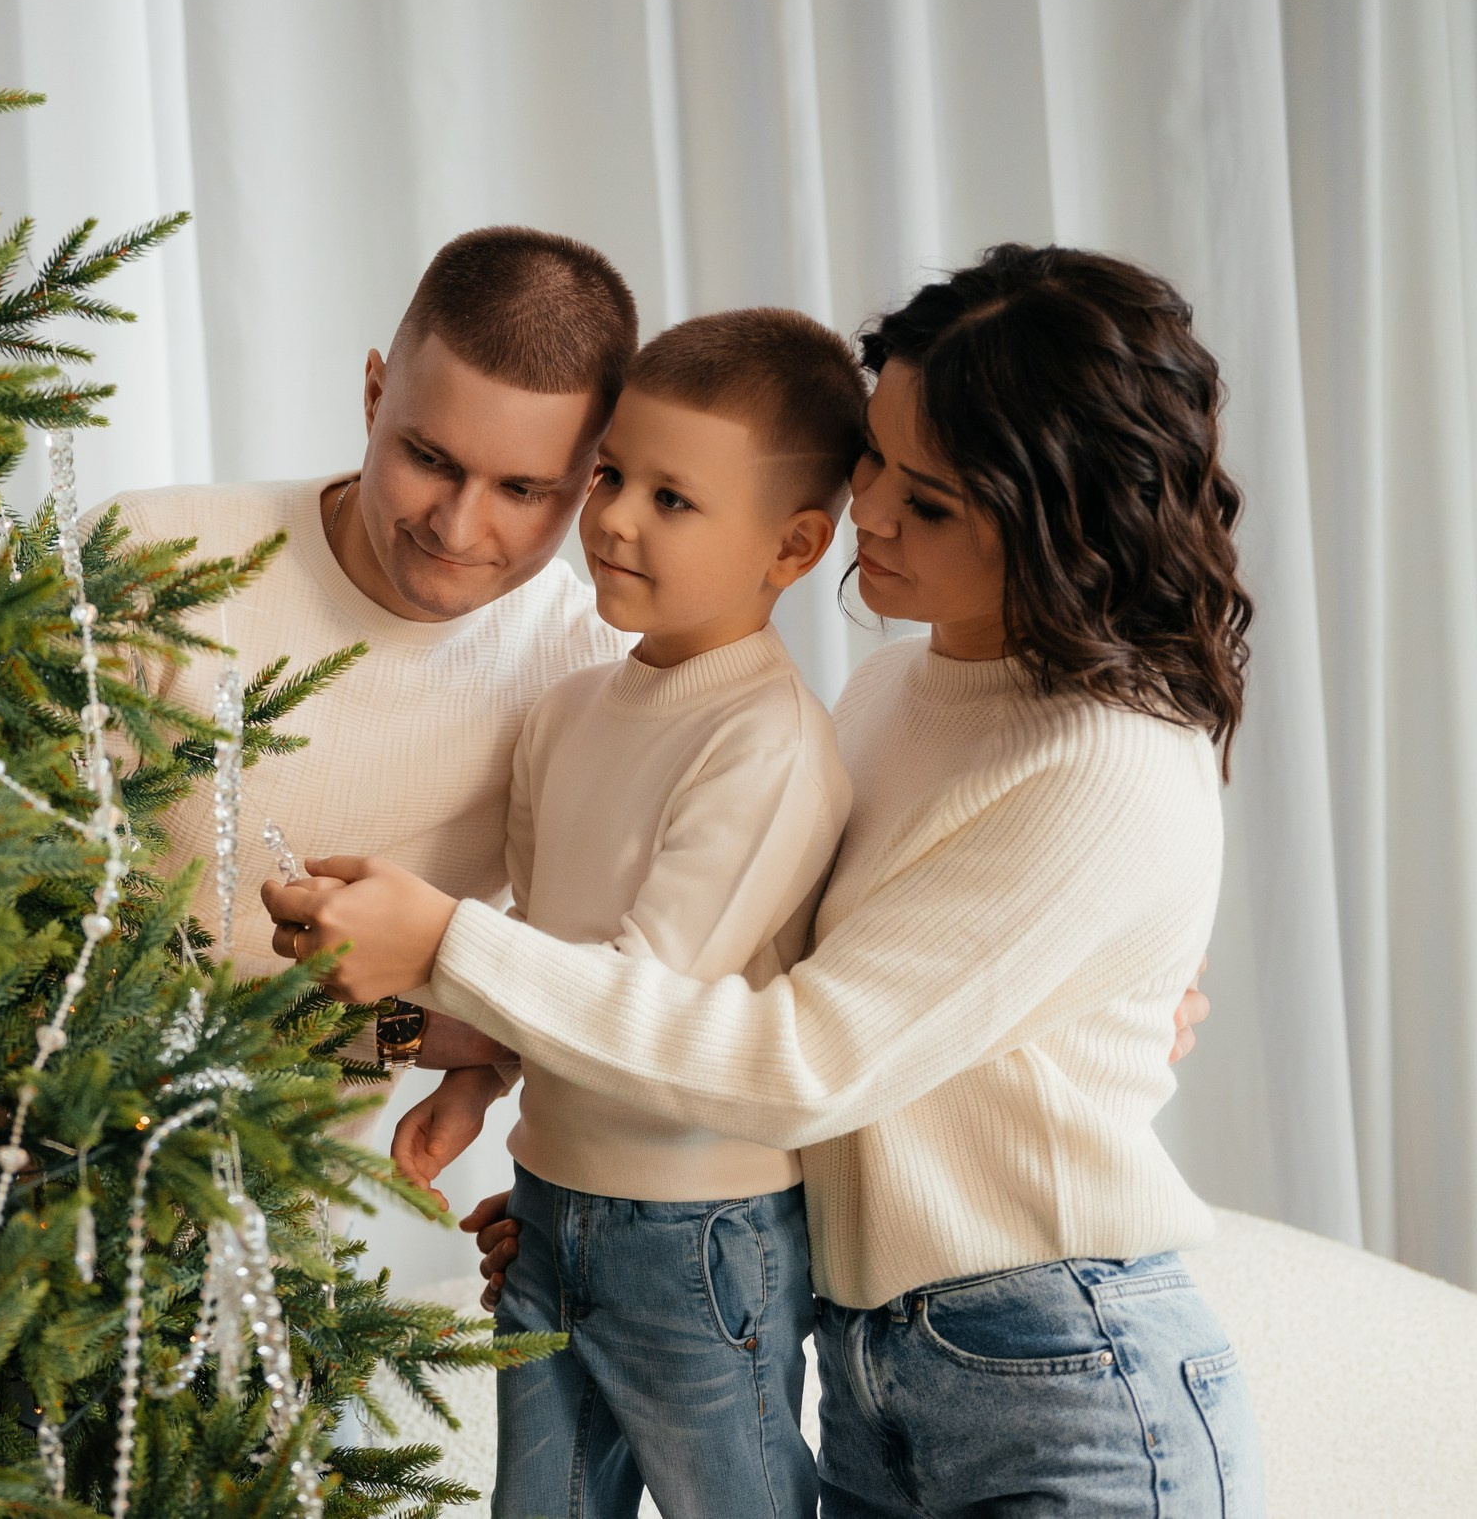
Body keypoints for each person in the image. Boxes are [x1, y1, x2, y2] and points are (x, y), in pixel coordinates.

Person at [266, 244, 1265, 1516]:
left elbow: (800, 1057)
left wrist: (448, 942)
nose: (872, 517)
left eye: (934, 501)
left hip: (1058, 1378)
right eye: (873, 463)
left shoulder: (1104, 760)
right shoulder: (898, 687)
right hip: (864, 1368)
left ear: (1059, 513)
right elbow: (773, 976)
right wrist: (607, 1204)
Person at [375, 308, 868, 1518]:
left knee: (736, 1499)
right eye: (610, 474)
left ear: (793, 544)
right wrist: (473, 1085)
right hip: (550, 1201)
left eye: (672, 498)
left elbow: (638, 990)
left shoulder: (769, 742)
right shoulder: (565, 708)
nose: (614, 517)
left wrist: (428, 956)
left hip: (701, 1233)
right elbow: (541, 950)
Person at [107, 225, 637, 1077]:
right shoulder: (149, 555)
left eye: (523, 490)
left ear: (596, 477)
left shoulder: (596, 671)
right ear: (372, 394)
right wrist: (401, 1030)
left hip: (303, 1198)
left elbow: (623, 977)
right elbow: (33, 907)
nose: (456, 527)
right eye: (429, 458)